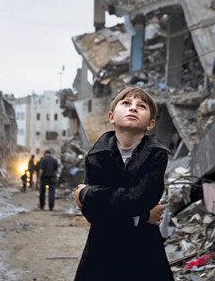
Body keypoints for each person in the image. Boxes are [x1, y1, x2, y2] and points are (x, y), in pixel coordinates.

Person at [73, 87, 173, 281]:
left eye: (141, 106)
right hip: (102, 249)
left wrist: (86, 194)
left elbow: (140, 197)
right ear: (111, 116)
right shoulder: (96, 155)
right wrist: (144, 216)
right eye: (126, 103)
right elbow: (93, 213)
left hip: (143, 248)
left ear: (151, 124)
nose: (133, 108)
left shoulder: (156, 154)